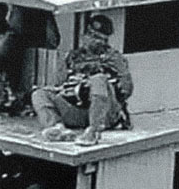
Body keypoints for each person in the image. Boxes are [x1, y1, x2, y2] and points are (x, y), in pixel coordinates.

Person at [33, 13, 131, 145]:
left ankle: (94, 131)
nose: (95, 41)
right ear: (84, 36)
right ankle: (57, 128)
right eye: (92, 36)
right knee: (39, 94)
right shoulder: (73, 57)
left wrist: (122, 72)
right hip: (77, 108)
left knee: (98, 79)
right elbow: (59, 84)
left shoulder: (114, 58)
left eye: (100, 38)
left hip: (105, 111)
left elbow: (127, 91)